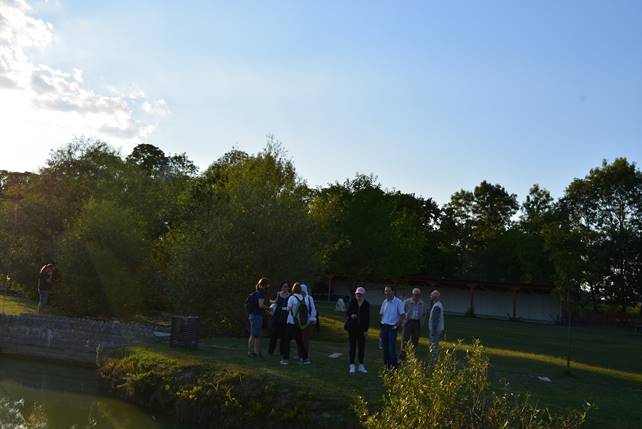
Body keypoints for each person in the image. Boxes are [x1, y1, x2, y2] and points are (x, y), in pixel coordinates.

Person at [281, 282, 308, 365]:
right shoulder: (303, 298)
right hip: (299, 323)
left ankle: (285, 359)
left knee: (287, 341)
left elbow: (288, 309)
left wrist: (283, 308)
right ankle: (305, 358)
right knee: (299, 341)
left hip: (291, 322)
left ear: (293, 289)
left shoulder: (291, 298)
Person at [379, 285, 405, 369]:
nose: (387, 293)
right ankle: (386, 366)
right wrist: (382, 324)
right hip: (384, 327)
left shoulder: (398, 302)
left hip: (392, 328)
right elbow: (382, 314)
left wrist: (396, 325)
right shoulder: (384, 302)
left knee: (391, 348)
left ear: (393, 292)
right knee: (385, 348)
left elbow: (402, 315)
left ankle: (394, 367)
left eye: (389, 291)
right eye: (386, 291)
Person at [346, 286, 370, 374]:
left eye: (360, 294)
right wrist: (351, 315)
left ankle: (361, 365)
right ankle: (352, 365)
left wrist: (366, 330)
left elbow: (367, 318)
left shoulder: (366, 304)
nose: (359, 296)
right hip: (352, 328)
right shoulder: (352, 302)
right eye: (357, 294)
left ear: (363, 295)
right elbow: (348, 311)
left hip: (362, 329)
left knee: (361, 347)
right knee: (352, 346)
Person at [400, 288, 427, 360]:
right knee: (405, 340)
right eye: (415, 294)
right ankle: (402, 357)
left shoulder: (422, 303)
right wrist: (403, 322)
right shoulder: (407, 302)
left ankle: (412, 357)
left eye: (419, 295)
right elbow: (402, 312)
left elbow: (424, 314)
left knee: (415, 341)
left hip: (417, 323)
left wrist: (422, 323)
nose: (417, 296)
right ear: (412, 295)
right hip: (408, 322)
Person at [247, 277, 270, 358]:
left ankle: (252, 352)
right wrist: (268, 308)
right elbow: (260, 305)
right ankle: (254, 353)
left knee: (253, 334)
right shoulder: (261, 293)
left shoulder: (256, 293)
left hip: (253, 315)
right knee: (255, 335)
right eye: (266, 285)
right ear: (264, 285)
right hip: (257, 316)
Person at [268, 281, 290, 358]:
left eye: (287, 286)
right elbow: (270, 300)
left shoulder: (290, 296)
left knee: (284, 337)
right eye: (284, 286)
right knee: (273, 336)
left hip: (286, 319)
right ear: (281, 287)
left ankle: (282, 352)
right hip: (276, 318)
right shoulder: (277, 294)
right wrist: (275, 301)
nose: (285, 288)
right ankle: (270, 352)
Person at [300, 284, 317, 364]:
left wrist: (311, 319)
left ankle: (305, 356)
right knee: (301, 339)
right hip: (300, 322)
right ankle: (301, 354)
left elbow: (313, 310)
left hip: (309, 322)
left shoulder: (309, 298)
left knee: (305, 339)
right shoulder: (298, 297)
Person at [428, 290, 445, 360]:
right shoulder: (438, 305)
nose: (430, 296)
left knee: (434, 345)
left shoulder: (437, 306)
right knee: (435, 344)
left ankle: (434, 359)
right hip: (437, 329)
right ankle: (436, 358)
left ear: (435, 297)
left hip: (435, 329)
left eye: (431, 295)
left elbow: (435, 320)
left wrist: (433, 331)